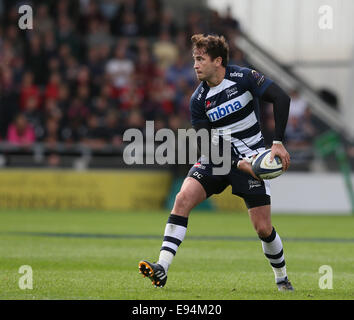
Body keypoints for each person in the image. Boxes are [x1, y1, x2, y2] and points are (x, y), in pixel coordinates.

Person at [139, 34, 293, 291]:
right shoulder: (198, 100)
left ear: (218, 61)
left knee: (263, 228)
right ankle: (162, 267)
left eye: (200, 59)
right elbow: (206, 145)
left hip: (253, 157)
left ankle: (282, 278)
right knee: (182, 199)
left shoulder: (244, 78)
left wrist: (277, 142)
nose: (195, 65)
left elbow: (282, 98)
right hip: (218, 159)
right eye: (194, 60)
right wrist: (237, 164)